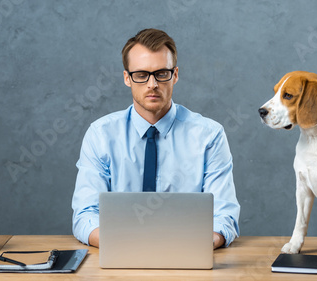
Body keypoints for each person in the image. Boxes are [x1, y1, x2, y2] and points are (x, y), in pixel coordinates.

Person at [71, 28, 240, 249]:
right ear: (127, 78)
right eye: (141, 75)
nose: (152, 84)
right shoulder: (101, 135)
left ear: (175, 75)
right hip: (120, 252)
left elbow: (224, 214)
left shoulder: (209, 135)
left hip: (188, 252)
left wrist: (200, 242)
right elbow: (85, 214)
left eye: (161, 73)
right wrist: (125, 244)